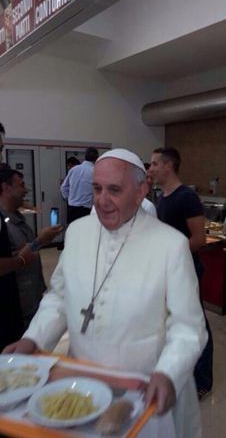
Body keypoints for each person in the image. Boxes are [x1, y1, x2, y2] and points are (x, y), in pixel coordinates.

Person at [4, 148, 207, 437]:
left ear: (140, 192)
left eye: (114, 190)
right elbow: (59, 297)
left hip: (143, 385)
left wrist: (169, 371)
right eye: (96, 188)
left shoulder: (170, 245)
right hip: (80, 379)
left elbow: (188, 327)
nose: (101, 200)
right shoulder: (77, 232)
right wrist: (33, 339)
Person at [149, 147, 214, 401]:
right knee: (171, 321)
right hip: (168, 271)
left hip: (187, 270)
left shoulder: (186, 197)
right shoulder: (162, 197)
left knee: (195, 322)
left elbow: (199, 238)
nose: (151, 169)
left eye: (155, 164)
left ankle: (203, 380)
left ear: (168, 165)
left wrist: (171, 255)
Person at [0, 169, 62, 329]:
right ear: (6, 187)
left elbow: (26, 249)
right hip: (13, 308)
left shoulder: (16, 217)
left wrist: (40, 241)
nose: (26, 190)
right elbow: (17, 257)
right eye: (21, 185)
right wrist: (36, 243)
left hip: (30, 299)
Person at [60, 147, 99, 223]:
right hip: (87, 209)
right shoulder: (95, 171)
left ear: (85, 156)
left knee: (73, 231)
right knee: (86, 232)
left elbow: (63, 187)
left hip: (72, 208)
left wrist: (70, 198)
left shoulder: (74, 169)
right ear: (97, 158)